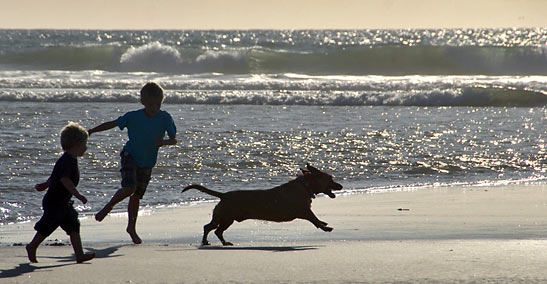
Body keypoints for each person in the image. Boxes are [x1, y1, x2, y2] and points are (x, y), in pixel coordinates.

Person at [88, 82, 177, 244]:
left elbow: (174, 140)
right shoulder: (133, 116)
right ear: (143, 102)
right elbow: (113, 124)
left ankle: (131, 228)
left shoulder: (165, 118)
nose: (154, 107)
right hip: (130, 155)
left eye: (158, 104)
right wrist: (92, 131)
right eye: (151, 104)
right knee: (130, 187)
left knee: (136, 196)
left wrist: (163, 142)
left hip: (148, 161)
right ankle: (108, 207)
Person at [27, 122, 95, 263]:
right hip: (55, 202)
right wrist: (78, 195)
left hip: (63, 202)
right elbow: (64, 180)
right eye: (84, 144)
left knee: (74, 226)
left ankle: (80, 255)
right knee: (48, 225)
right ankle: (32, 246)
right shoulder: (66, 160)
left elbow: (54, 177)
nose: (86, 147)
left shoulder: (70, 159)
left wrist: (46, 184)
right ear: (77, 143)